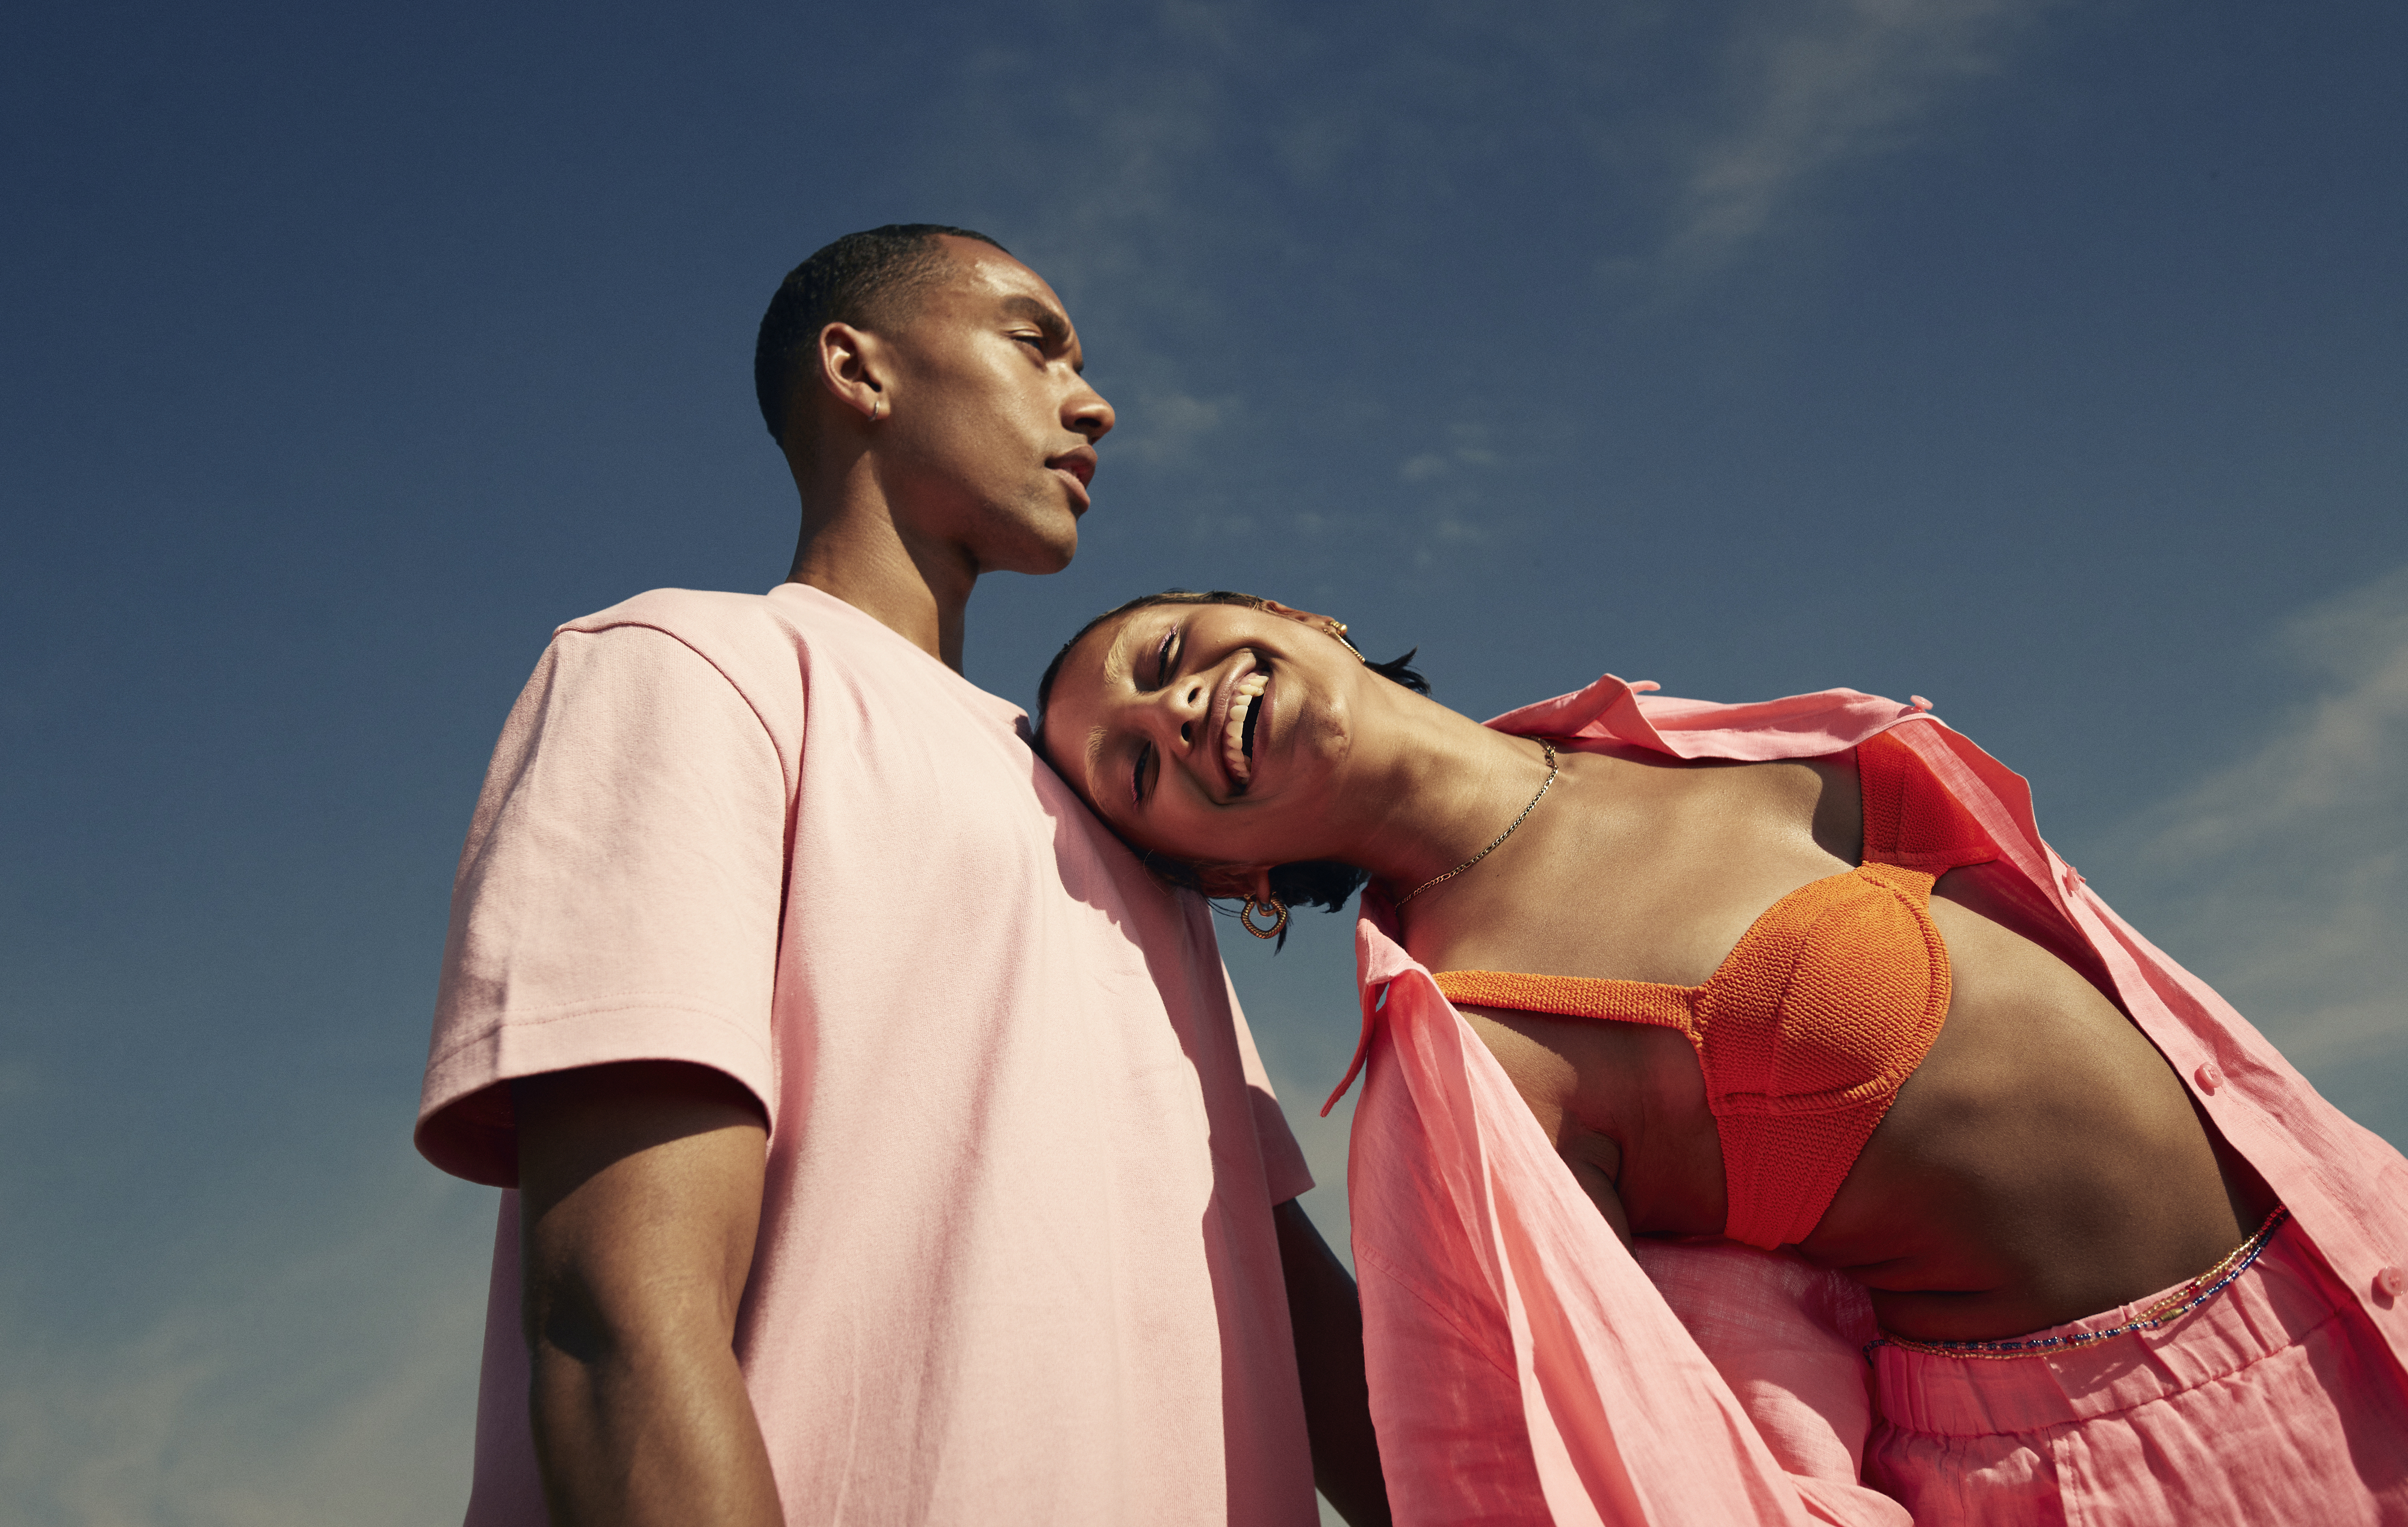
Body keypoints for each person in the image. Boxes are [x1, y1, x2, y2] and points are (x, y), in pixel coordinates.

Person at [1035, 588, 2408, 1525]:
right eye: (1134, 768)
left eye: (1161, 655)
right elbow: (1538, 1463)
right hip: (2131, 1464)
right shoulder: (1472, 1054)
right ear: (1236, 884)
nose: (1172, 711)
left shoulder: (1661, 734)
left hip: (2354, 1270)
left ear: (1287, 614)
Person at [414, 234, 1387, 1527]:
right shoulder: (693, 665)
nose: (1091, 402)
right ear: (855, 369)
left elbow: (1264, 1278)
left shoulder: (1117, 808)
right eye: (1034, 343)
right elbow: (616, 1317)